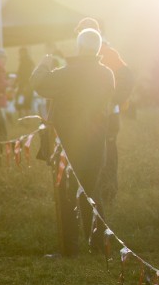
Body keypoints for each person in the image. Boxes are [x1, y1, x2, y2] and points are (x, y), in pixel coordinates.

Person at [31, 29, 115, 256]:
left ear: (79, 48)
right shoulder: (107, 74)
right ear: (98, 49)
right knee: (92, 194)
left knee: (67, 195)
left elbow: (38, 84)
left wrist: (45, 62)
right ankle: (97, 247)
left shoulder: (68, 73)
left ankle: (70, 250)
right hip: (96, 144)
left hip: (68, 145)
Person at [76, 17, 133, 210]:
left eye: (81, 32)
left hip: (108, 116)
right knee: (95, 153)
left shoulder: (108, 53)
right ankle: (96, 193)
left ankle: (108, 194)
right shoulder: (85, 58)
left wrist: (113, 100)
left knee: (107, 154)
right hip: (92, 116)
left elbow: (127, 77)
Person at [14, 46, 36, 115]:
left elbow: (22, 74)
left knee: (21, 101)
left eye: (20, 53)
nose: (19, 54)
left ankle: (23, 118)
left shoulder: (25, 61)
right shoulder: (29, 61)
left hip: (24, 84)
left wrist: (17, 82)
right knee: (26, 102)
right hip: (28, 85)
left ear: (23, 53)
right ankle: (26, 118)